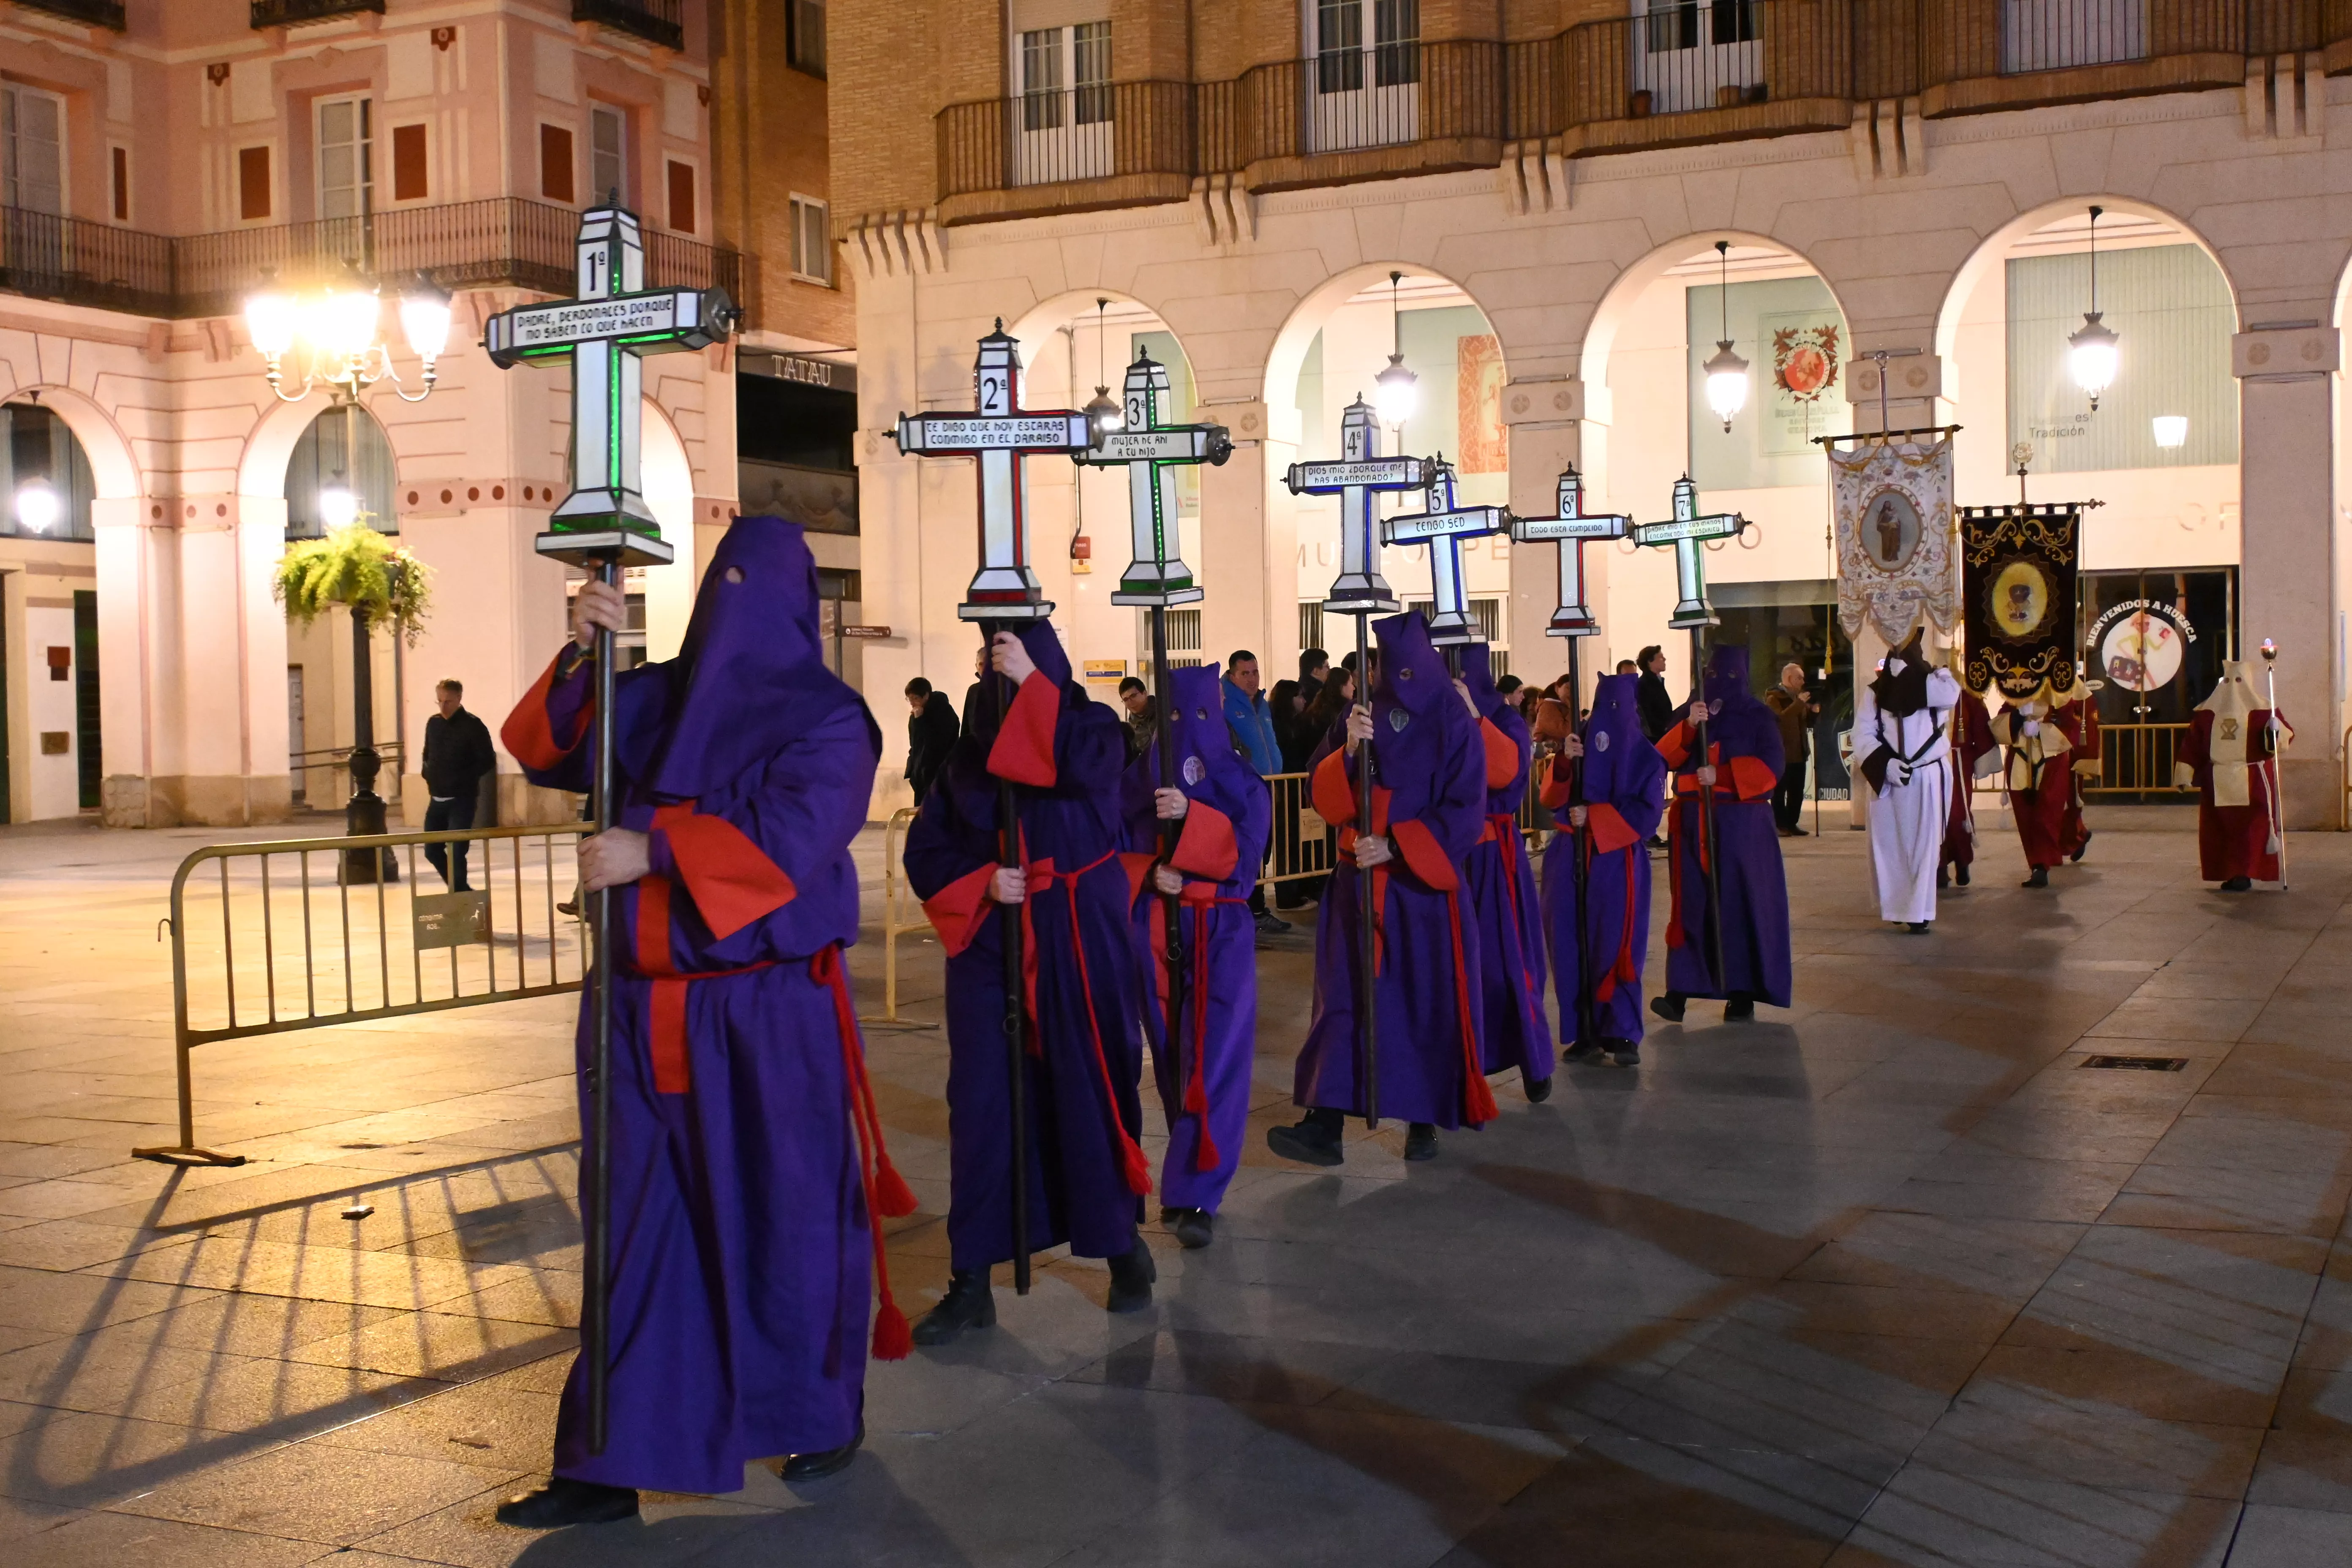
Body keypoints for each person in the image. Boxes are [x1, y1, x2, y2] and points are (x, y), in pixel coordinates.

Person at [492, 519, 906, 1527]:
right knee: (635, 1230)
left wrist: (655, 852)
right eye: (723, 583)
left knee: (783, 1220)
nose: (734, 605)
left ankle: (815, 1410)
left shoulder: (833, 719)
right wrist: (581, 653)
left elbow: (794, 836)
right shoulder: (653, 695)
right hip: (636, 1009)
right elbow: (547, 750)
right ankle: (605, 1462)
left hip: (767, 1012)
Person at [901, 623, 1154, 1344]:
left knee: (1090, 1092)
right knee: (984, 1108)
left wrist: (1034, 689)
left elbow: (1071, 764)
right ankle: (971, 1278)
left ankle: (1120, 1246)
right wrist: (982, 881)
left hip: (1075, 939)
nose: (995, 676)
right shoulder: (967, 755)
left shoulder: (1092, 728)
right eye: (990, 664)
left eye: (1012, 660)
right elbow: (929, 847)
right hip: (993, 945)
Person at [1269, 612, 1489, 1166]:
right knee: (1343, 1001)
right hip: (1356, 884)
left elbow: (1466, 807)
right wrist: (1347, 748)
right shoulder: (1361, 711)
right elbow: (1324, 793)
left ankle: (1423, 1118)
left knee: (1420, 1001)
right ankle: (1325, 1123)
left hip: (1419, 890)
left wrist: (1396, 845)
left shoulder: (1452, 718)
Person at [1123, 665, 1271, 1250]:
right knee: (1172, 1056)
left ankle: (1197, 1190)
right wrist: (1147, 873)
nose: (1189, 729)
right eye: (1177, 717)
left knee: (1215, 1059)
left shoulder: (1243, 784)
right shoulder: (1138, 781)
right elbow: (1109, 845)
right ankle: (1190, 1168)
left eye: (1201, 717)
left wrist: (1193, 821)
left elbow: (1246, 859)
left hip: (1220, 929)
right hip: (1156, 930)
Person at [1651, 645, 1791, 1024]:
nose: (1719, 684)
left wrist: (1724, 776)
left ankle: (1742, 993)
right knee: (1691, 905)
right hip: (1692, 823)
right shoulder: (1691, 710)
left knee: (1739, 905)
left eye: (1728, 676)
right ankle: (1679, 992)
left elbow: (1772, 768)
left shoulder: (1759, 717)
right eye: (1712, 675)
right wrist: (1688, 727)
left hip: (1740, 827)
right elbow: (1662, 758)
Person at [1544, 672, 1666, 1066]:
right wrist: (1565, 761)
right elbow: (1551, 797)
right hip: (1569, 855)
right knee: (1570, 943)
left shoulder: (1646, 757)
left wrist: (1594, 817)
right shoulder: (1577, 745)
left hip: (1617, 860)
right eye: (1601, 707)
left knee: (1616, 943)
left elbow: (1647, 815)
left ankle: (1622, 1030)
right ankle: (1583, 1030)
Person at [1459, 645, 1552, 1101]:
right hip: (1445, 856)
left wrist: (1476, 718)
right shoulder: (1434, 718)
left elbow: (1505, 774)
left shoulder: (1507, 721)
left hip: (1495, 857)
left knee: (1506, 964)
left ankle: (1531, 1058)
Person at [1852, 630, 1959, 934]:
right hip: (1890, 781)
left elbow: (1949, 695)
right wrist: (1884, 765)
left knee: (1923, 848)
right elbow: (1863, 733)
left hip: (1926, 778)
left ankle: (1919, 911)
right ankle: (1897, 906)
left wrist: (1917, 677)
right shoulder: (1875, 693)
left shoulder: (1936, 686)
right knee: (1889, 846)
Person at [2172, 659, 2292, 891]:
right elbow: (2192, 745)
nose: (2233, 687)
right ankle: (2230, 872)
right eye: (2228, 681)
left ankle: (2246, 872)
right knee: (2222, 831)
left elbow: (2281, 741)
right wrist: (2184, 774)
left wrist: (2275, 730)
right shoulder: (2206, 713)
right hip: (2217, 781)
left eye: (2238, 681)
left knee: (2251, 831)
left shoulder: (2265, 710)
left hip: (2253, 780)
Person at [1220, 650, 1289, 940]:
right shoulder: (1223, 703)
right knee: (1247, 852)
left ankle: (1257, 908)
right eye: (1245, 673)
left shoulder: (1261, 704)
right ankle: (1248, 910)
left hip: (1269, 787)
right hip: (1244, 792)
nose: (1252, 679)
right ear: (1232, 676)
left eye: (1255, 672)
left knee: (1263, 851)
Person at [1987, 689, 2082, 888]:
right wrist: (2017, 716)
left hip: (2051, 761)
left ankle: (2042, 864)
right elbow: (1999, 727)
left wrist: (2043, 731)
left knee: (2046, 813)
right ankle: (2037, 864)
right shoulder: (2015, 698)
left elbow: (2072, 728)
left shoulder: (2059, 698)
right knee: (2026, 816)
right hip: (2020, 760)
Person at [420, 679, 495, 892]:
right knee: (432, 850)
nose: (443, 707)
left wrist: (464, 778)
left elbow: (487, 760)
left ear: (459, 699)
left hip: (462, 799)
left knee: (457, 849)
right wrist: (428, 773)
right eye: (440, 701)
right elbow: (427, 752)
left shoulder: (473, 725)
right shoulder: (434, 724)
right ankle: (461, 889)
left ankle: (459, 893)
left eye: (448, 702)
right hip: (437, 798)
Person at [1939, 666, 1998, 889]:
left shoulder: (1968, 699)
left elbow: (1982, 729)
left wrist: (1977, 758)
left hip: (1958, 762)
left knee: (1957, 815)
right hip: (1931, 764)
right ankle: (1939, 867)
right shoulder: (1925, 695)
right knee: (1934, 816)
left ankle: (1962, 861)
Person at [1762, 663, 1818, 837]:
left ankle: (1792, 823)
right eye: (1799, 678)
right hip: (1782, 753)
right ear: (1789, 679)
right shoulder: (1774, 698)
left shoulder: (1798, 699)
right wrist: (1799, 703)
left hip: (1799, 752)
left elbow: (1806, 723)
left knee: (1797, 792)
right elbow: (1781, 720)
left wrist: (1814, 713)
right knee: (1780, 792)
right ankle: (1780, 825)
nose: (1803, 682)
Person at [904, 676, 960, 806]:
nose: (912, 703)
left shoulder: (944, 712)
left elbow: (937, 743)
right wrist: (913, 767)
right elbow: (915, 743)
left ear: (926, 696)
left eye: (915, 698)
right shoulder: (916, 715)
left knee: (936, 810)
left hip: (938, 773)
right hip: (920, 775)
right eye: (909, 699)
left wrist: (920, 720)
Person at [1634, 645, 1676, 742]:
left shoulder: (1657, 682)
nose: (1664, 659)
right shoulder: (1644, 684)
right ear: (1650, 661)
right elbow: (1647, 716)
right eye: (1661, 657)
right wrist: (1664, 730)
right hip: (1656, 740)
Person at [1118, 675, 1154, 763]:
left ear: (1144, 693)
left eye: (1133, 696)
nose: (1130, 702)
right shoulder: (1131, 729)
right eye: (1126, 700)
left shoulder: (1166, 712)